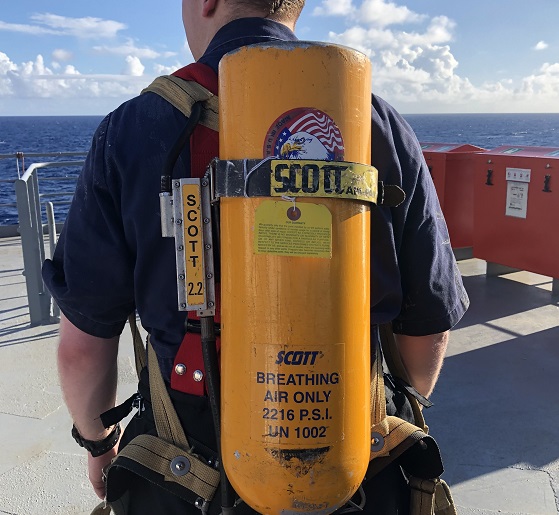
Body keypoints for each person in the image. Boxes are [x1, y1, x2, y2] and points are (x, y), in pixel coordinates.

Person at [42, 0, 469, 513]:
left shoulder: (133, 128)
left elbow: (82, 349)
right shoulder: (377, 122)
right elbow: (429, 329)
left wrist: (99, 444)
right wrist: (351, 415)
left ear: (205, 2)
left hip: (182, 468)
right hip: (357, 466)